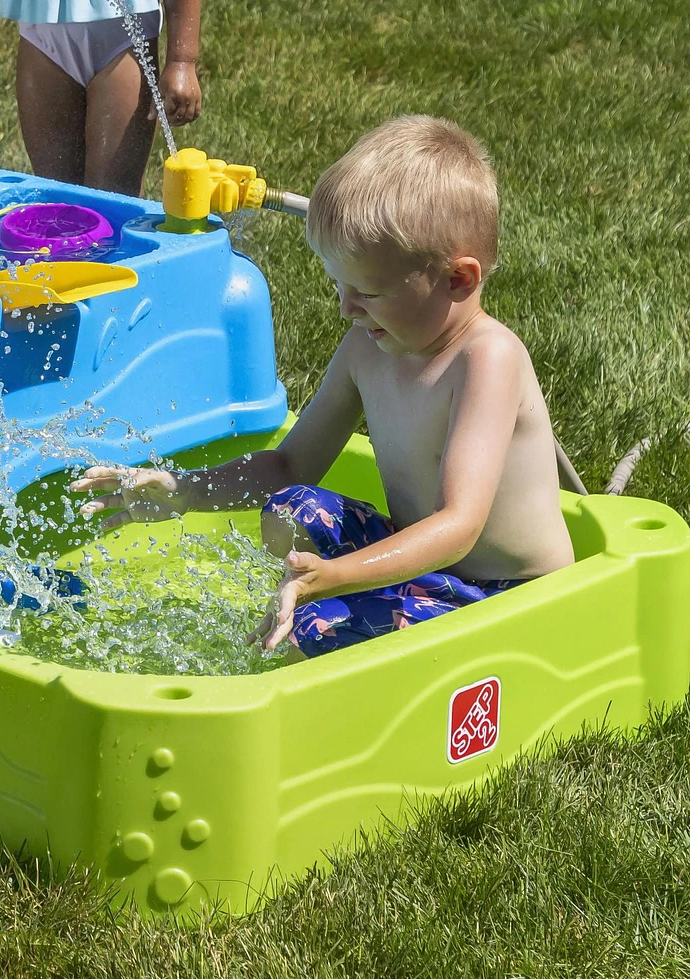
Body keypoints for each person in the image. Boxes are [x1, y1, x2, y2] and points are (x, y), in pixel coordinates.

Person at [70, 115, 575, 659]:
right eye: (339, 285)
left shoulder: (487, 359)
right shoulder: (368, 347)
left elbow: (458, 526)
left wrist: (336, 575)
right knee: (291, 509)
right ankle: (310, 608)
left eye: (368, 293)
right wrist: (184, 491)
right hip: (429, 571)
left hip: (509, 598)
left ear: (458, 279)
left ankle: (313, 644)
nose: (345, 308)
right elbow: (289, 466)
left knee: (318, 627)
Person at [0, 0, 202, 197]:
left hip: (123, 36)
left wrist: (182, 60)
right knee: (55, 194)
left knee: (113, 194)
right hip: (41, 30)